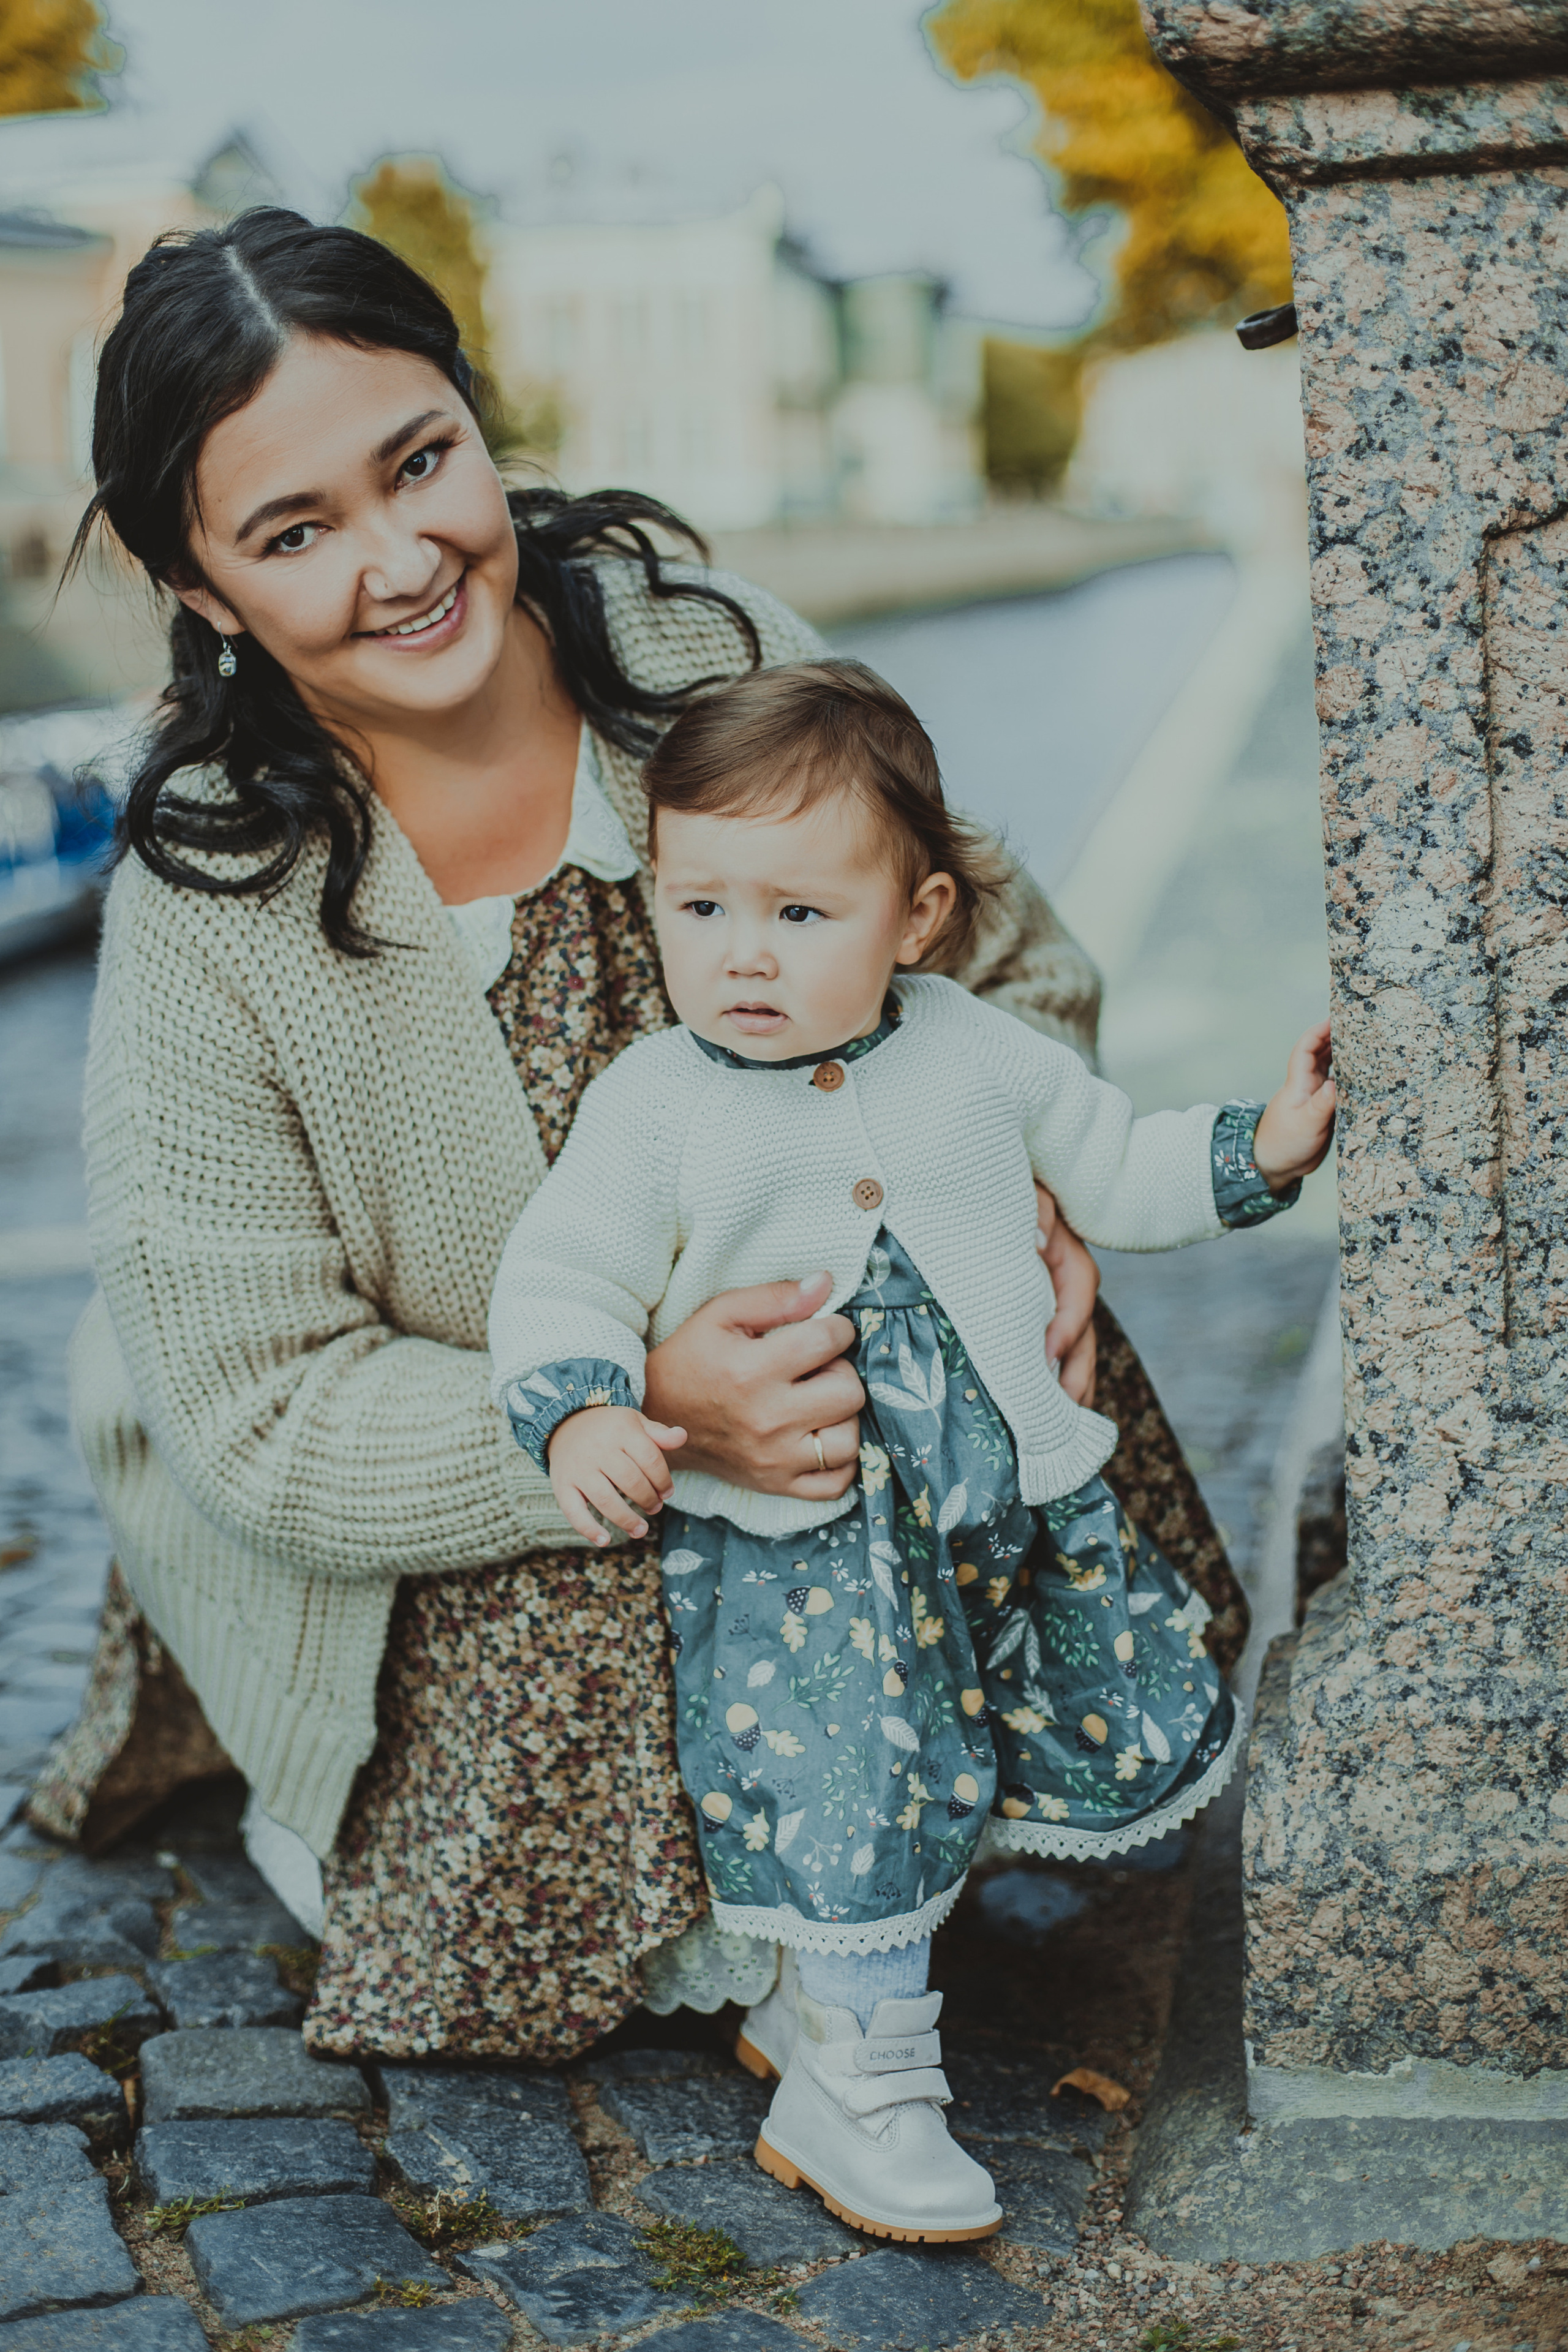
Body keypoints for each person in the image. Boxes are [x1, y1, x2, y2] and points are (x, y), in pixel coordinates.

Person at [34, 205, 1242, 2065]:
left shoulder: (702, 654)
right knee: (604, 1682)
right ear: (206, 592)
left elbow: (1000, 958)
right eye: (294, 534)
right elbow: (259, 1406)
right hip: (514, 1445)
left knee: (1000, 1367)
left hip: (852, 1388)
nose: (401, 558)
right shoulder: (221, 904)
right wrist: (649, 1410)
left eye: (420, 462)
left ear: (472, 418)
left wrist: (1027, 1207)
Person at [488, 659, 1335, 2238]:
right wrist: (587, 1403)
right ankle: (860, 2086)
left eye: (802, 915)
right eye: (700, 910)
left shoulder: (975, 1052)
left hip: (998, 1510)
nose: (743, 956)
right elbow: (561, 1274)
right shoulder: (655, 1103)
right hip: (806, 1546)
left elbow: (1116, 1163)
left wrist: (1260, 1149)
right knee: (851, 1778)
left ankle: (822, 2010)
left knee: (964, 1754)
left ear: (919, 916)